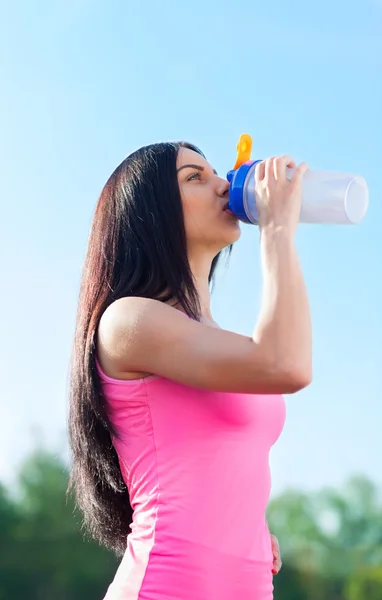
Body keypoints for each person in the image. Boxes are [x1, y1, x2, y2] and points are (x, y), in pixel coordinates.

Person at [68, 140, 311, 600]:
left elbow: (218, 461)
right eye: (194, 177)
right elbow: (286, 364)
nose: (223, 185)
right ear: (150, 212)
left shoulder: (217, 341)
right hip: (165, 586)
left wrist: (242, 531)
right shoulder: (128, 320)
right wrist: (277, 230)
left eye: (218, 172)